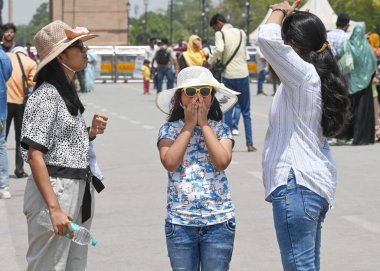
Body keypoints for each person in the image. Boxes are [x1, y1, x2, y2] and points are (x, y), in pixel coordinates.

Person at [257, 1, 350, 270]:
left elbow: (266, 38)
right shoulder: (314, 75)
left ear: (294, 47)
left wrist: (280, 10)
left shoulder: (302, 75)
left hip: (295, 184)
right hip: (310, 184)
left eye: (286, 43)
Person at [20, 20, 108, 270]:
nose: (85, 50)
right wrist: (54, 208)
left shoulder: (63, 92)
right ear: (61, 56)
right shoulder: (46, 95)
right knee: (49, 265)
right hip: (56, 189)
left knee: (73, 264)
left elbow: (59, 142)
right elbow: (34, 153)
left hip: (75, 188)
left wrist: (89, 132)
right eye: (78, 45)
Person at [156, 66, 239, 271]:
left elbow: (221, 161)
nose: (198, 97)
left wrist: (203, 124)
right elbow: (170, 162)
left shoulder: (220, 129)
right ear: (179, 98)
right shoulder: (169, 129)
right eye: (191, 92)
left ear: (212, 97)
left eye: (204, 91)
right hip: (180, 222)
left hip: (219, 221)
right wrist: (188, 126)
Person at [207, 13, 256, 152]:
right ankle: (250, 144)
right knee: (246, 111)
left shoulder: (220, 34)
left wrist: (209, 61)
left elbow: (220, 49)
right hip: (243, 74)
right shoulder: (241, 32)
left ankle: (228, 143)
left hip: (229, 75)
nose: (215, 31)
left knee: (227, 109)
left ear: (218, 24)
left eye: (214, 28)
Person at [335, 25, 377, 145]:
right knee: (363, 111)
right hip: (365, 85)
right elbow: (373, 65)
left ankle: (343, 137)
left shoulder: (346, 45)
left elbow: (338, 54)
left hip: (349, 83)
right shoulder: (369, 49)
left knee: (348, 109)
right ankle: (362, 138)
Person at [5, 46, 37, 178]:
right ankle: (19, 170)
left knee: (2, 138)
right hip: (20, 104)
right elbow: (31, 82)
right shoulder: (30, 62)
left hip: (5, 103)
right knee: (20, 139)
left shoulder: (5, 59)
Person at [0, 44, 13, 199]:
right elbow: (8, 74)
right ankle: (4, 186)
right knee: (1, 145)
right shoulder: (4, 57)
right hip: (1, 108)